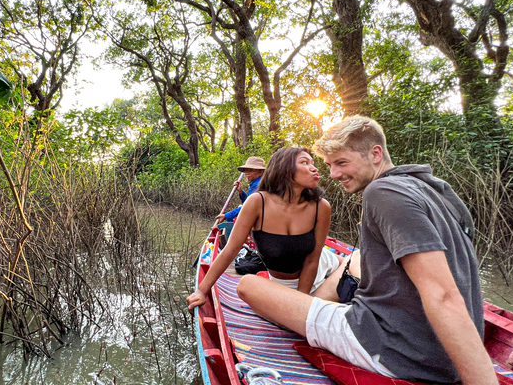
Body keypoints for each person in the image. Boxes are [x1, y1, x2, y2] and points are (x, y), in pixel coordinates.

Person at [236, 116, 496, 385]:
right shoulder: (437, 190)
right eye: (329, 165)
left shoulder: (382, 191)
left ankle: (307, 309)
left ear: (375, 154)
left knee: (249, 284)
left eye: (342, 163)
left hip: (392, 348)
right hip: (431, 349)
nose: (334, 175)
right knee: (355, 257)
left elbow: (442, 295)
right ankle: (312, 305)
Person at [188, 147, 340, 309]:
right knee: (245, 284)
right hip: (279, 283)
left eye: (313, 163)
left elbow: (312, 260)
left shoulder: (321, 207)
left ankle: (341, 263)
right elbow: (230, 249)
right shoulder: (257, 202)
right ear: (285, 170)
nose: (314, 168)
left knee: (351, 265)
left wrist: (300, 302)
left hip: (316, 276)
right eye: (305, 162)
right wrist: (201, 291)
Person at [215, 156, 266, 224]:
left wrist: (226, 216)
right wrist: (240, 191)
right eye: (246, 170)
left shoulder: (259, 185)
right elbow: (248, 201)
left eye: (251, 170)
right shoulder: (254, 183)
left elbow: (248, 207)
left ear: (260, 172)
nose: (247, 173)